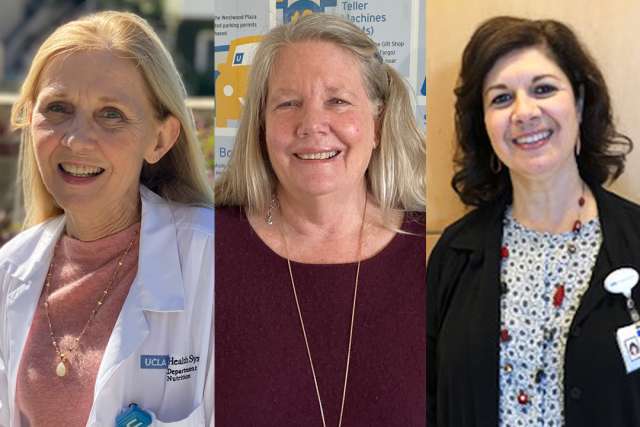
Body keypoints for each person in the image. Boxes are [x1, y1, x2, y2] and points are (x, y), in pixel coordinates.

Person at [0, 11, 213, 426]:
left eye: (111, 114)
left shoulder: (217, 264)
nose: (77, 139)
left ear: (160, 139)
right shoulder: (10, 271)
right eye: (57, 108)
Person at [427, 16, 640, 427]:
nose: (524, 112)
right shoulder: (453, 255)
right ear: (483, 123)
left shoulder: (635, 240)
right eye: (501, 98)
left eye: (543, 89)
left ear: (579, 103)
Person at [215, 13, 426, 427]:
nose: (312, 125)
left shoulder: (433, 252)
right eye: (288, 103)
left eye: (337, 101)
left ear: (378, 123)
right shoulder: (205, 249)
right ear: (261, 126)